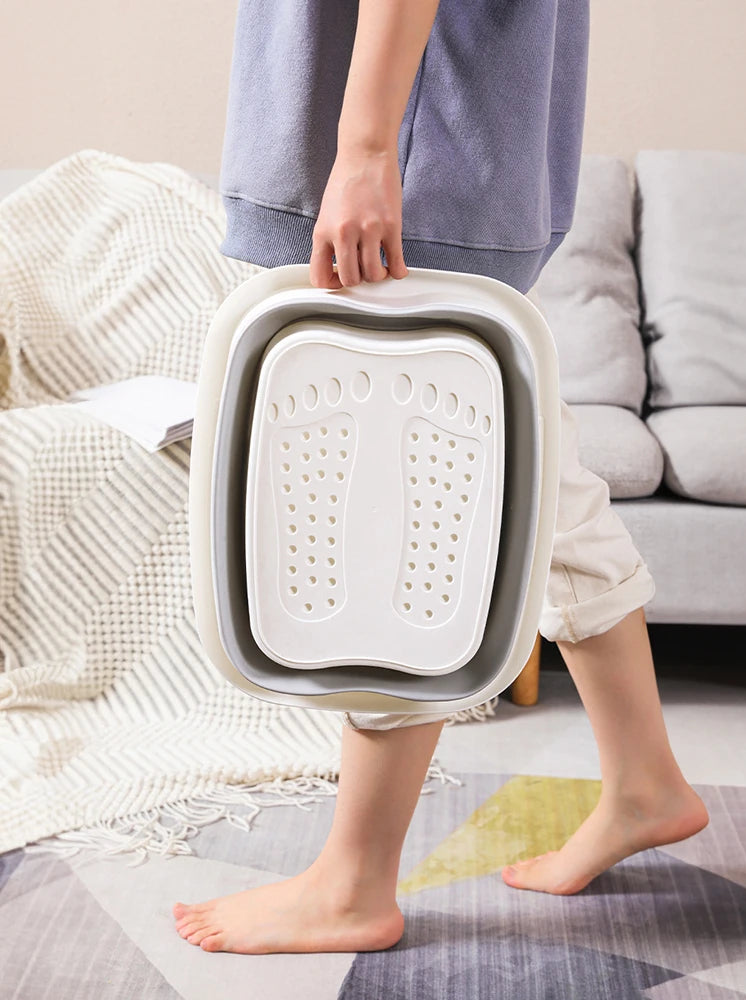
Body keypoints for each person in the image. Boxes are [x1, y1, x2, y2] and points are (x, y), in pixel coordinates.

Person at [173, 0, 709, 954]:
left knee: (395, 498)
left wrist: (368, 146)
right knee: (540, 482)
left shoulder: (382, 152)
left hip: (413, 151)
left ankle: (354, 883)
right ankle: (644, 783)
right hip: (448, 138)